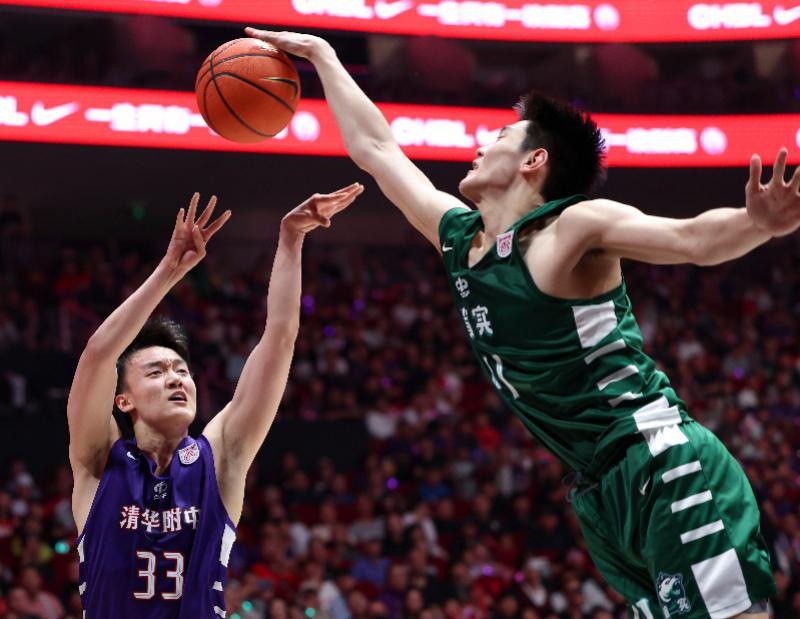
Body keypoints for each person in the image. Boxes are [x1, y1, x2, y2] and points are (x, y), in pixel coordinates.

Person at [243, 27, 797, 619]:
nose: (481, 145)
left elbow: (690, 239)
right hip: (599, 493)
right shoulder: (460, 238)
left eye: (500, 136)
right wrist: (325, 55)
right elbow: (377, 148)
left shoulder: (574, 228)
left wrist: (758, 223)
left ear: (535, 160)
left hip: (659, 459)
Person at [67, 184, 363, 617]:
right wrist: (169, 271)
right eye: (156, 372)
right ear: (124, 401)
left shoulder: (220, 458)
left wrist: (290, 239)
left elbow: (280, 339)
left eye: (181, 370)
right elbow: (98, 354)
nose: (175, 378)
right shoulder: (99, 461)